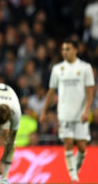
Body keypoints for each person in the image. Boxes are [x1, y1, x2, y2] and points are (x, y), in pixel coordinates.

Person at [40, 39, 95, 183]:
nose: (65, 52)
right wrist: (44, 111)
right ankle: (73, 177)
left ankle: (75, 170)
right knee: (68, 142)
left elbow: (90, 90)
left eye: (68, 49)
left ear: (76, 50)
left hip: (81, 113)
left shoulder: (85, 68)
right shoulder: (57, 69)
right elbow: (51, 92)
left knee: (82, 147)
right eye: (63, 49)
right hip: (64, 112)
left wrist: (87, 110)